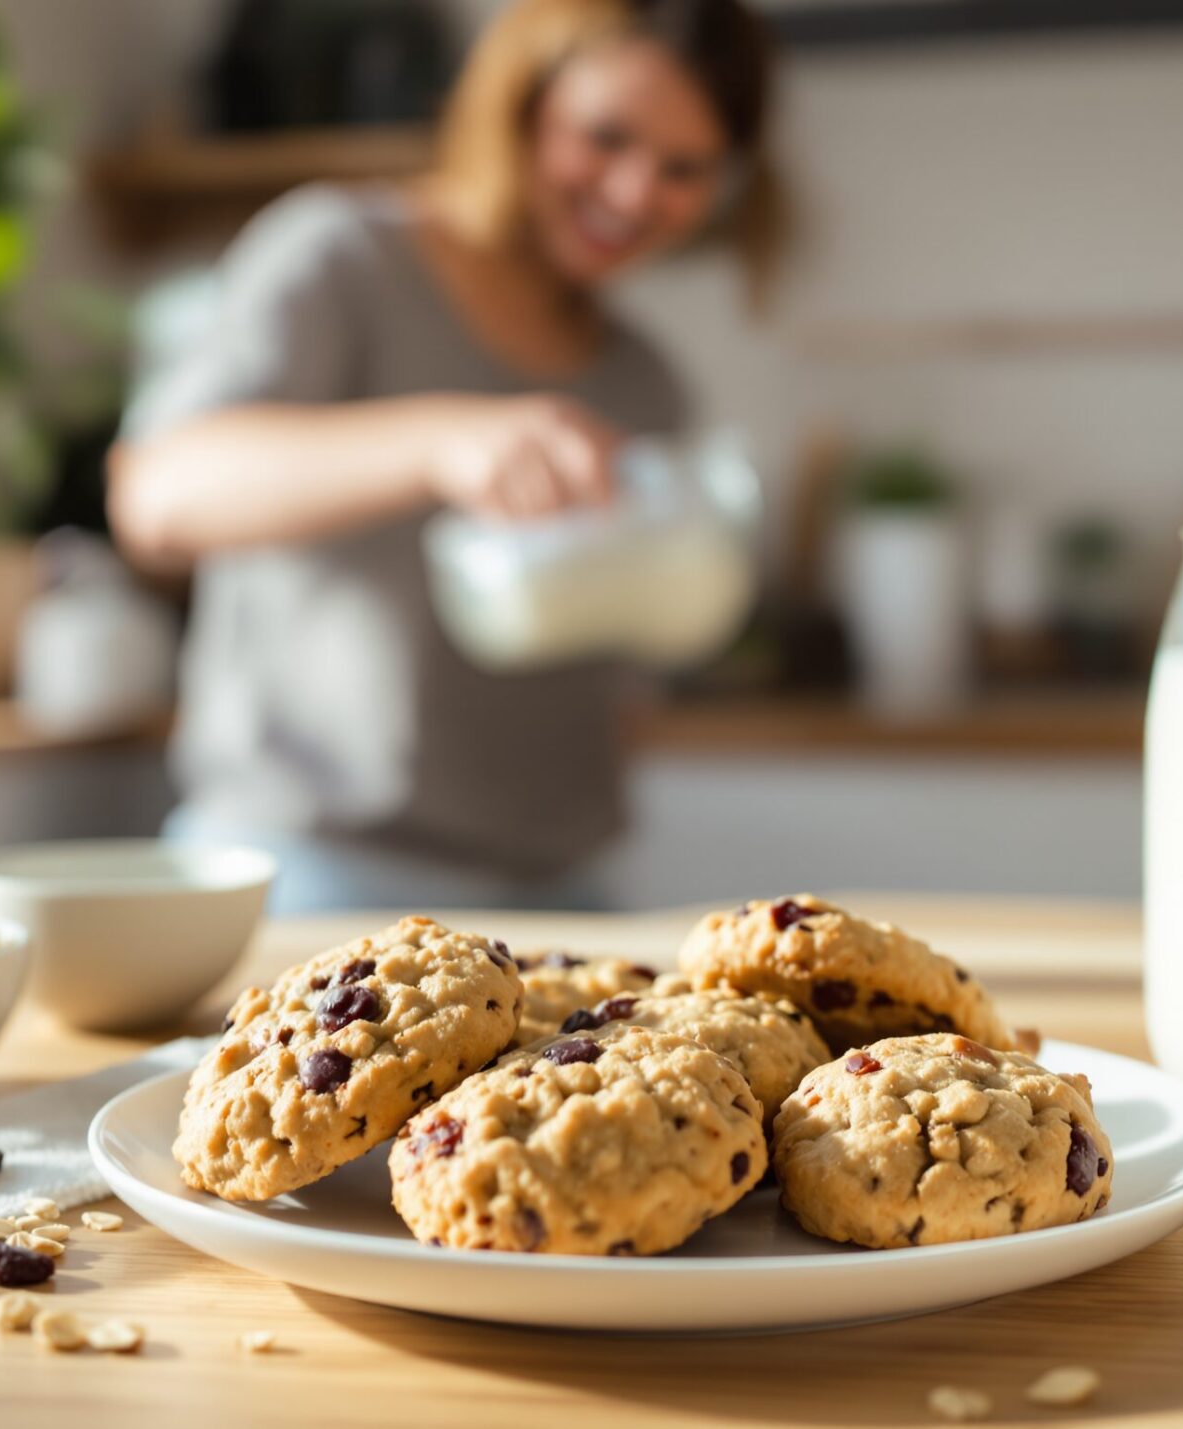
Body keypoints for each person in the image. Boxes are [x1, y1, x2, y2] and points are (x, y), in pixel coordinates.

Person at [110, 0, 786, 914]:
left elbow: (621, 679)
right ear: (521, 104)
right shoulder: (341, 258)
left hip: (562, 894)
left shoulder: (644, 384)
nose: (633, 194)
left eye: (682, 168)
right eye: (606, 136)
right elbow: (157, 493)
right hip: (306, 877)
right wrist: (439, 441)